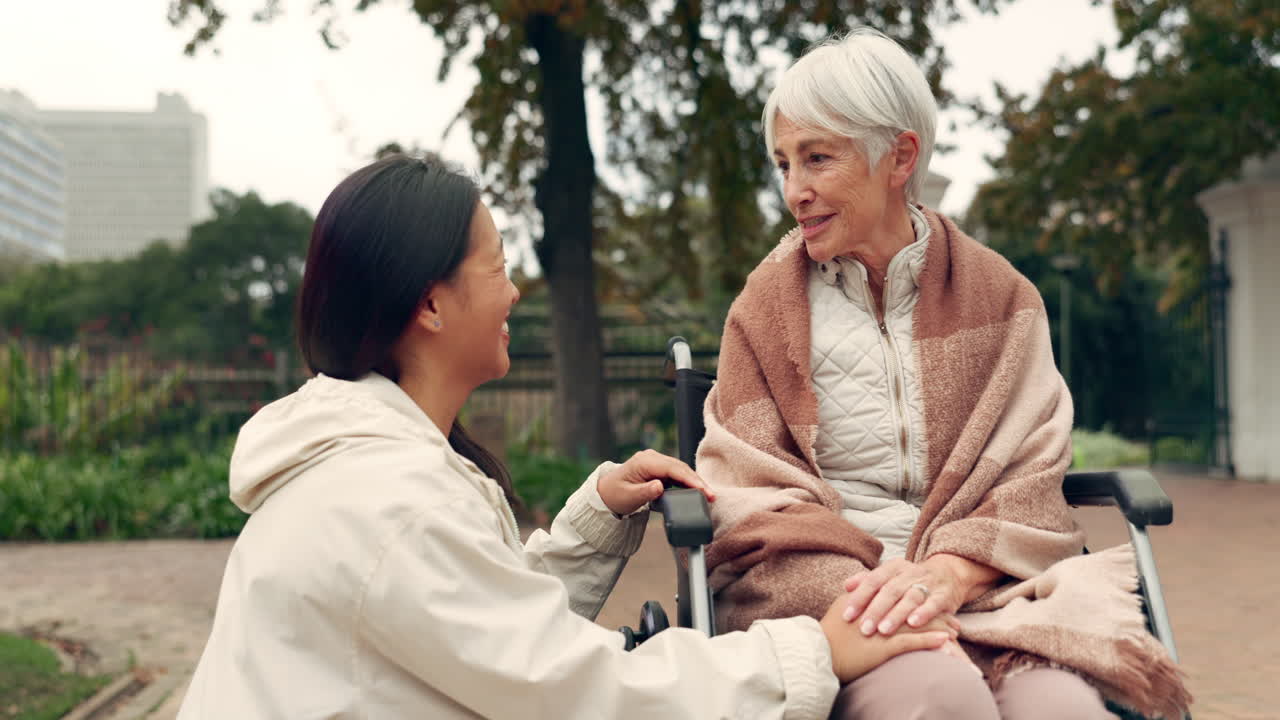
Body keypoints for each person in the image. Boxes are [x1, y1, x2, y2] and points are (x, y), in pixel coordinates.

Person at [175, 154, 959, 719]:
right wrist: (813, 653)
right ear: (431, 306)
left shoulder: (368, 468)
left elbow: (478, 633)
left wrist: (593, 523)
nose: (516, 290)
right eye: (497, 267)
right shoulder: (389, 503)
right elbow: (575, 691)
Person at [694, 29, 1191, 720]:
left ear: (899, 157)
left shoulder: (1002, 297)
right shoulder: (763, 313)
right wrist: (876, 599)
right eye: (783, 164)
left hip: (991, 592)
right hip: (829, 602)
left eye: (817, 159)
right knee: (942, 697)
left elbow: (1030, 477)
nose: (794, 191)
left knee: (1062, 712)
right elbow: (748, 496)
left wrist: (947, 576)